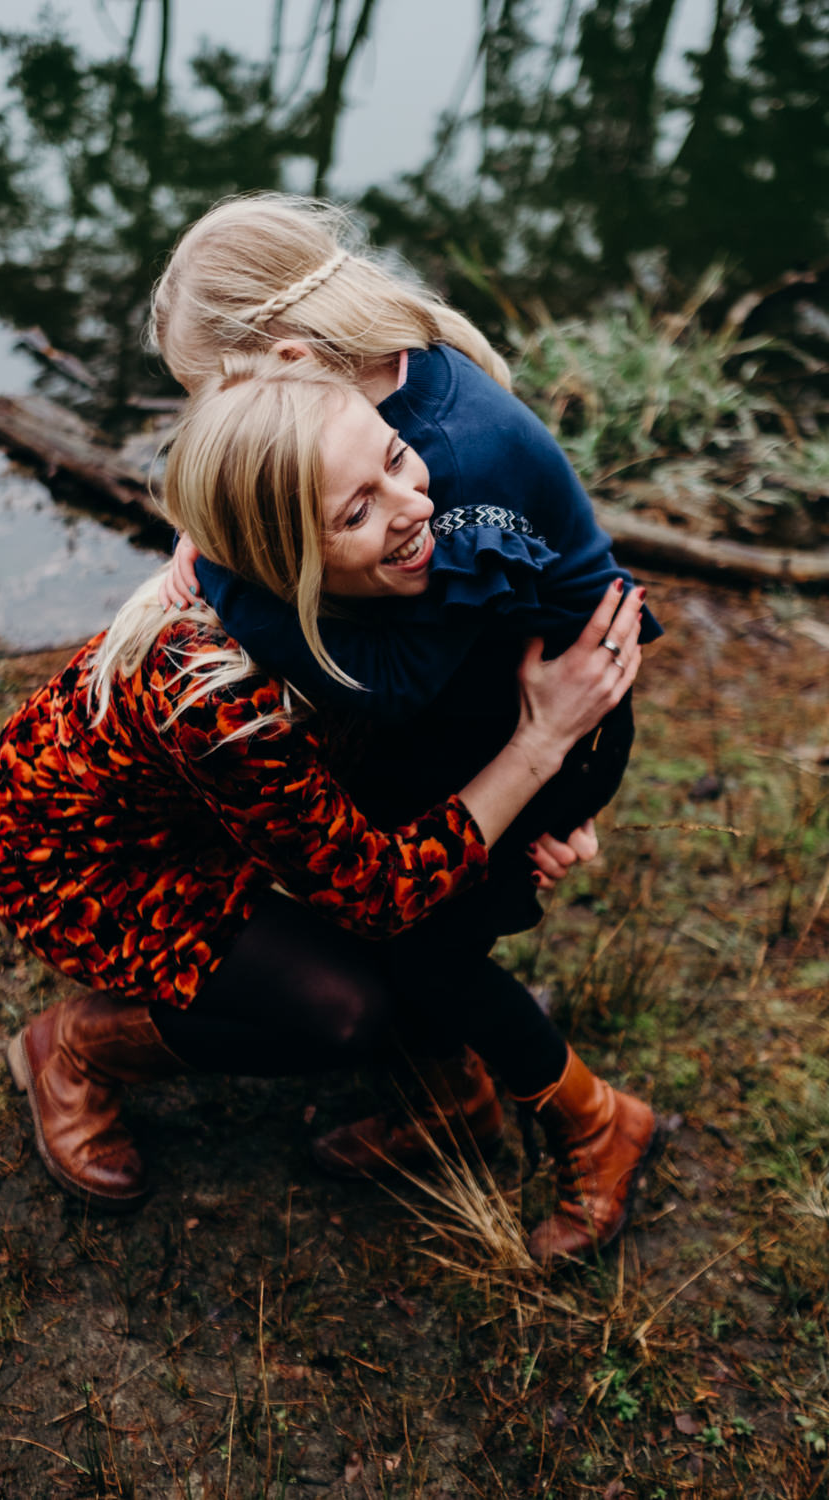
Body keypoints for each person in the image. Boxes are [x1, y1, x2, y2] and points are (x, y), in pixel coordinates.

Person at [0, 355, 656, 1265]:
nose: (417, 506)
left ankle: (451, 1088)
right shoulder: (218, 690)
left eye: (398, 458)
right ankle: (79, 1049)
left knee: (447, 894)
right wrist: (537, 748)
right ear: (280, 562)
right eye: (357, 511)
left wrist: (559, 805)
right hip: (91, 862)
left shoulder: (385, 554)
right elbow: (375, 891)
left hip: (226, 812)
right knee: (344, 1006)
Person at [150, 192, 662, 1187]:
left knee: (427, 943)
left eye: (215, 394)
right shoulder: (375, 392)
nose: (218, 420)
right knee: (368, 898)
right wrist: (216, 518)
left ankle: (598, 1129)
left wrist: (224, 571)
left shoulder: (450, 465)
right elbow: (277, 475)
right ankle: (449, 1098)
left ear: (287, 358)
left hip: (546, 711)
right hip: (475, 695)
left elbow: (389, 679)